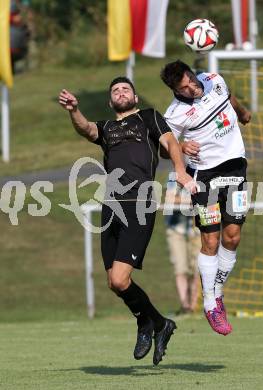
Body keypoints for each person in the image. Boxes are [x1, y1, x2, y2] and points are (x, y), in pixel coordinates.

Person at [58, 77, 197, 365]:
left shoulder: (148, 118)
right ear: (111, 103)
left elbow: (171, 143)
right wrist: (74, 110)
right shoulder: (108, 128)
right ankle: (158, 323)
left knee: (121, 279)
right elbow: (86, 129)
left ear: (135, 97)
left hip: (139, 203)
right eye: (115, 91)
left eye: (126, 89)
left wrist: (181, 171)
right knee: (114, 282)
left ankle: (148, 324)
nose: (121, 93)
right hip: (111, 207)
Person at [160, 60, 251, 336]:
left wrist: (242, 112)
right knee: (210, 238)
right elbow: (165, 148)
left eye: (190, 81)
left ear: (192, 73)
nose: (190, 89)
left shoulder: (214, 79)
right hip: (204, 178)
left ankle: (217, 291)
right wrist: (181, 146)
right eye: (182, 88)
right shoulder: (175, 114)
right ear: (174, 90)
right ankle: (210, 304)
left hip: (235, 169)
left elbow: (228, 95)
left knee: (232, 236)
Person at [164, 175, 200, 314]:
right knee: (180, 269)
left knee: (197, 270)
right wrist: (191, 200)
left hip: (197, 230)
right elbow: (170, 199)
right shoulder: (174, 177)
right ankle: (185, 307)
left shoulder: (202, 172)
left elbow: (208, 197)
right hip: (176, 229)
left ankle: (193, 306)